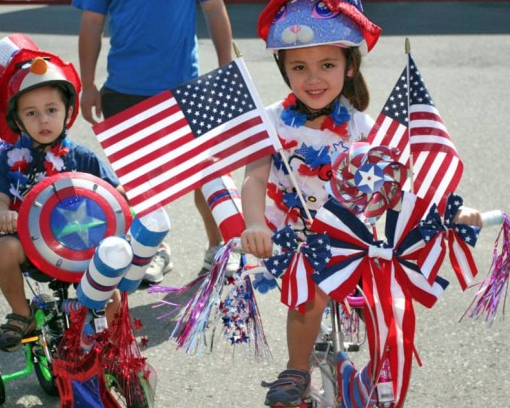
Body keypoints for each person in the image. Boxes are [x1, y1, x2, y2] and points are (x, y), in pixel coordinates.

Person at [240, 1, 483, 406]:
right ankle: (297, 368)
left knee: (384, 294)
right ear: (285, 70)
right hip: (298, 240)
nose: (313, 78)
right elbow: (254, 178)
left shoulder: (362, 128)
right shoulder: (270, 123)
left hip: (354, 239)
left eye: (327, 65)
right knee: (313, 287)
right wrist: (254, 224)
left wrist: (449, 210)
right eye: (299, 67)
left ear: (349, 67)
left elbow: (405, 181)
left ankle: (383, 368)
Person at [72, 0, 236, 283]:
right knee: (141, 183)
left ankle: (217, 247)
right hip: (124, 91)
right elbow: (91, 22)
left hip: (184, 88)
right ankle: (156, 250)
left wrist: (226, 70)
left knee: (206, 172)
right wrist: (87, 84)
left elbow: (214, 8)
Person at [0, 45, 125, 352]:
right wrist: (2, 212)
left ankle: (98, 339)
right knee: (2, 249)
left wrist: (136, 200)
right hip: (32, 245)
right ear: (19, 121)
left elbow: (115, 194)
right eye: (31, 114)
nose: (43, 120)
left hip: (83, 246)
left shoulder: (82, 157)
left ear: (68, 113)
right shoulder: (9, 158)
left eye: (51, 110)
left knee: (111, 295)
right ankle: (22, 313)